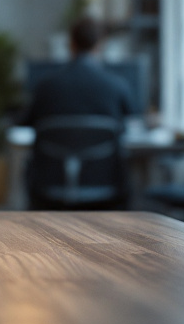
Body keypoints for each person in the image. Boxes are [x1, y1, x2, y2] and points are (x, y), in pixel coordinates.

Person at [20, 17, 136, 206]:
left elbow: (25, 123)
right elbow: (133, 123)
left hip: (50, 188)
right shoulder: (117, 86)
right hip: (105, 186)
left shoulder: (45, 86)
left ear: (70, 44)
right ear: (100, 44)